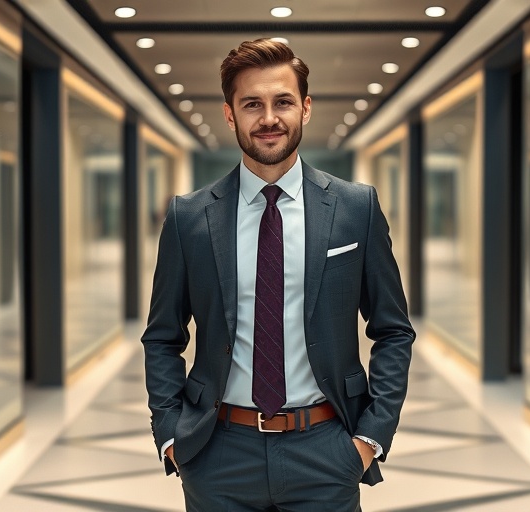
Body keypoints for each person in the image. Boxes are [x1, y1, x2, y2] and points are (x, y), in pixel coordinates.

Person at [141, 38, 415, 511]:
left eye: (283, 102)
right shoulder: (189, 218)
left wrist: (370, 438)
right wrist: (170, 436)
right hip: (218, 454)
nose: (269, 118)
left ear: (305, 108)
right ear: (230, 115)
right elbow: (163, 337)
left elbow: (393, 331)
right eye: (252, 104)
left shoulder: (356, 209)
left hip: (327, 450)